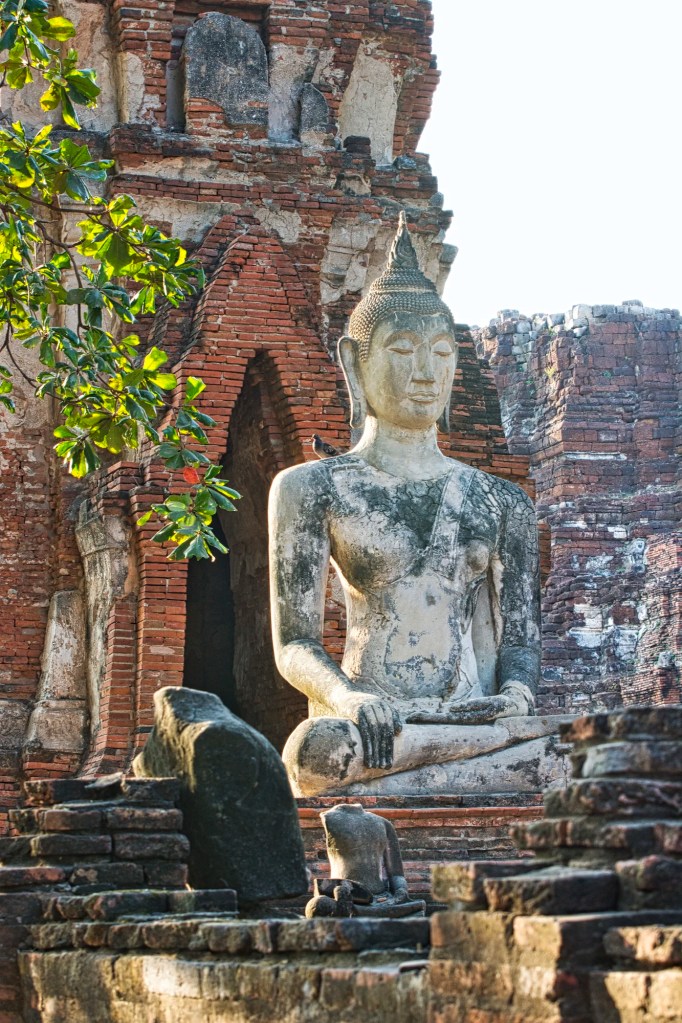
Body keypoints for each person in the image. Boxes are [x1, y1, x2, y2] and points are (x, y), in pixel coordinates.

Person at [269, 214, 542, 796]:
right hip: (369, 725)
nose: (425, 373)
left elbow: (520, 641)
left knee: (574, 748)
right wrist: (347, 697)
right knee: (317, 753)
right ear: (354, 364)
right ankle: (436, 772)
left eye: (441, 353)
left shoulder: (503, 502)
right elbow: (294, 644)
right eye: (402, 349)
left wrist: (517, 694)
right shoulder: (312, 488)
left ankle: (429, 771)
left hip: (472, 719)